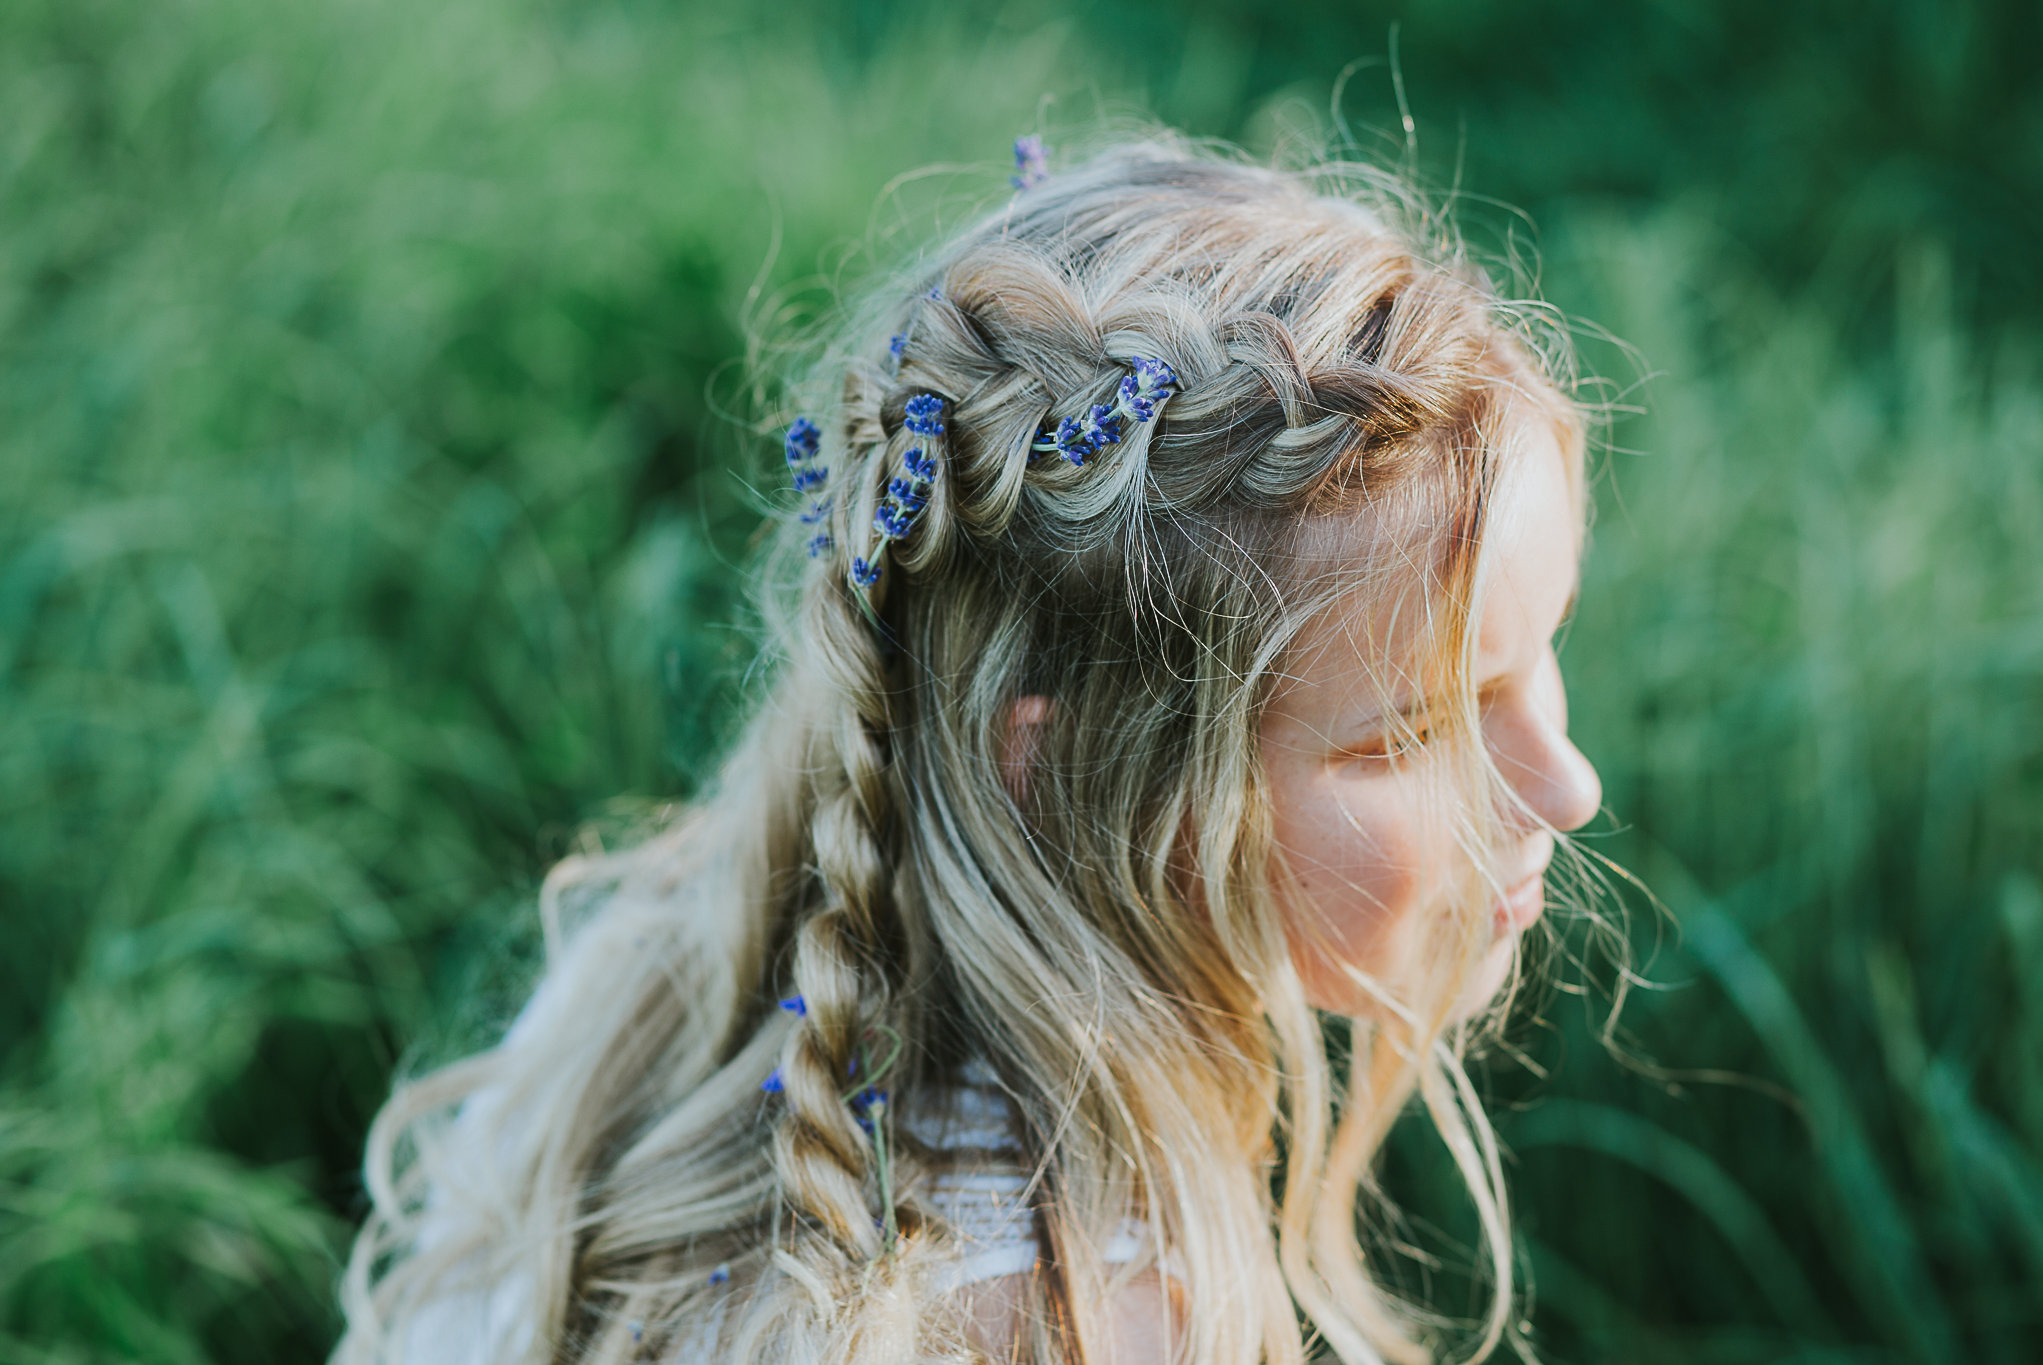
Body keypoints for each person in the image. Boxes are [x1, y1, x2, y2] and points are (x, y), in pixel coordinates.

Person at [335, 131, 1606, 1365]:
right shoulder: (1076, 1315)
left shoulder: (672, 963)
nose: (1564, 785)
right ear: (1049, 770)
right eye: (1414, 734)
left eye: (1541, 641)